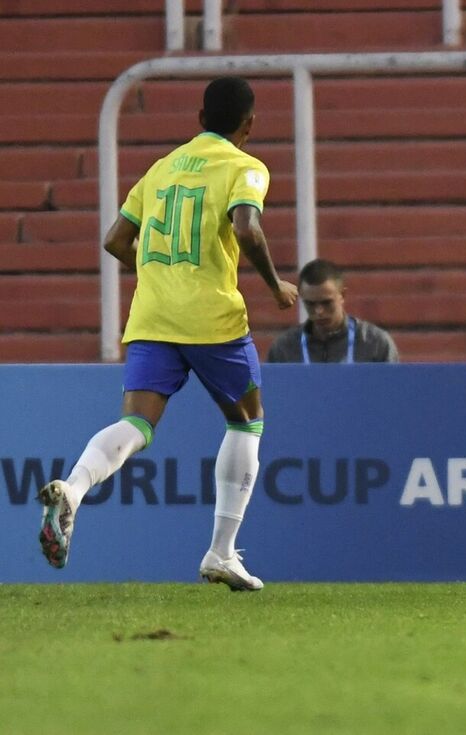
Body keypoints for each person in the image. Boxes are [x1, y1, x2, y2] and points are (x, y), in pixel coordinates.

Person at [37, 77, 298, 591]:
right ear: (250, 124)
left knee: (136, 422)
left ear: (200, 118)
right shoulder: (245, 167)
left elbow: (115, 239)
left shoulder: (161, 169)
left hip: (152, 314)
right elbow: (246, 227)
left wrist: (161, 275)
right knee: (247, 421)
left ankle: (74, 487)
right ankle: (222, 552)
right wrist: (275, 285)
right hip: (210, 316)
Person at [266, 258, 399, 364]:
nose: (319, 311)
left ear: (342, 295)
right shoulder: (283, 349)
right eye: (310, 304)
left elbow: (393, 393)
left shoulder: (375, 344)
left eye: (326, 302)